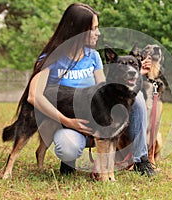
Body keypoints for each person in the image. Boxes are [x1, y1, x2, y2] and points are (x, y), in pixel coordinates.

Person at [18, 3, 155, 178]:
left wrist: (134, 74)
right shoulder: (51, 58)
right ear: (78, 31)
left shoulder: (93, 56)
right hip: (66, 118)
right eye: (94, 28)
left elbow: (105, 92)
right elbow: (33, 96)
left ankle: (140, 159)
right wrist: (67, 121)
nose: (98, 33)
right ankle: (68, 162)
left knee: (138, 99)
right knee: (68, 147)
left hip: (94, 116)